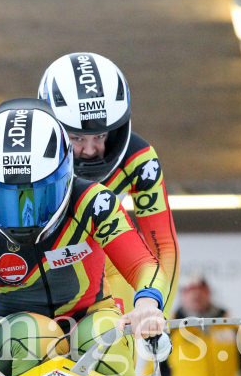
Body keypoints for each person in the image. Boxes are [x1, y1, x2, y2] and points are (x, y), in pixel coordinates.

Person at [0, 99, 170, 376]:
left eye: (39, 194)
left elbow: (143, 264)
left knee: (107, 335)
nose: (25, 214)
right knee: (30, 336)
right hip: (16, 326)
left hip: (91, 315)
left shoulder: (94, 202)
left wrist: (147, 303)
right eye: (8, 198)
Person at [38, 53, 178, 317]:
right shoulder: (24, 160)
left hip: (106, 262)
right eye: (77, 137)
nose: (90, 151)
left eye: (100, 136)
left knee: (116, 344)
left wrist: (158, 313)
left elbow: (162, 245)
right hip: (38, 269)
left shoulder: (140, 160)